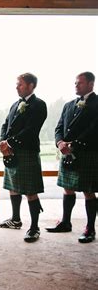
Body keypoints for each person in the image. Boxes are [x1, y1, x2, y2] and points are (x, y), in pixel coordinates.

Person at [46, 72, 98, 244]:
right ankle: (65, 222)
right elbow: (59, 127)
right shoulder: (69, 105)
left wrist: (74, 144)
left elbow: (94, 129)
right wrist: (59, 142)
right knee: (68, 188)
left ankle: (90, 228)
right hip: (67, 152)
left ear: (91, 83)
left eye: (80, 83)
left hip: (87, 153)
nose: (76, 85)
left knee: (87, 190)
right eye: (75, 83)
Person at [0, 73, 47, 243]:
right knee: (14, 187)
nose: (17, 87)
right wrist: (2, 141)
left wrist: (9, 142)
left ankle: (34, 228)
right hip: (11, 151)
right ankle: (15, 219)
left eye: (20, 84)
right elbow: (5, 124)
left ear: (31, 85)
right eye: (17, 84)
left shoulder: (39, 105)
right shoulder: (15, 104)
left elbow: (31, 129)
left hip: (27, 151)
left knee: (30, 191)